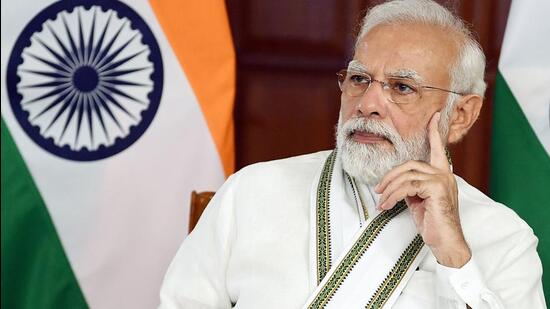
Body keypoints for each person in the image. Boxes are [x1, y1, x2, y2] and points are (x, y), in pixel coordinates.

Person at [158, 0, 546, 308]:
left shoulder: (503, 239)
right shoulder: (251, 192)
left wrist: (454, 256)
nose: (368, 103)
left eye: (402, 87)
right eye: (360, 79)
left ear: (460, 115)